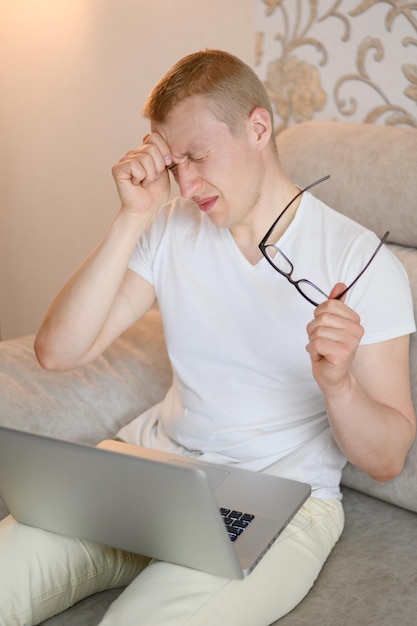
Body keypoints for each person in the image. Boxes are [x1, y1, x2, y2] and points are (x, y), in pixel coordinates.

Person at [1, 49, 415, 626]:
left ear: (258, 128)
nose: (188, 182)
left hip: (280, 500)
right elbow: (58, 351)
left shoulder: (361, 261)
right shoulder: (170, 226)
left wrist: (339, 383)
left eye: (198, 154)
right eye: (174, 164)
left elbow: (388, 459)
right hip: (150, 470)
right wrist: (131, 217)